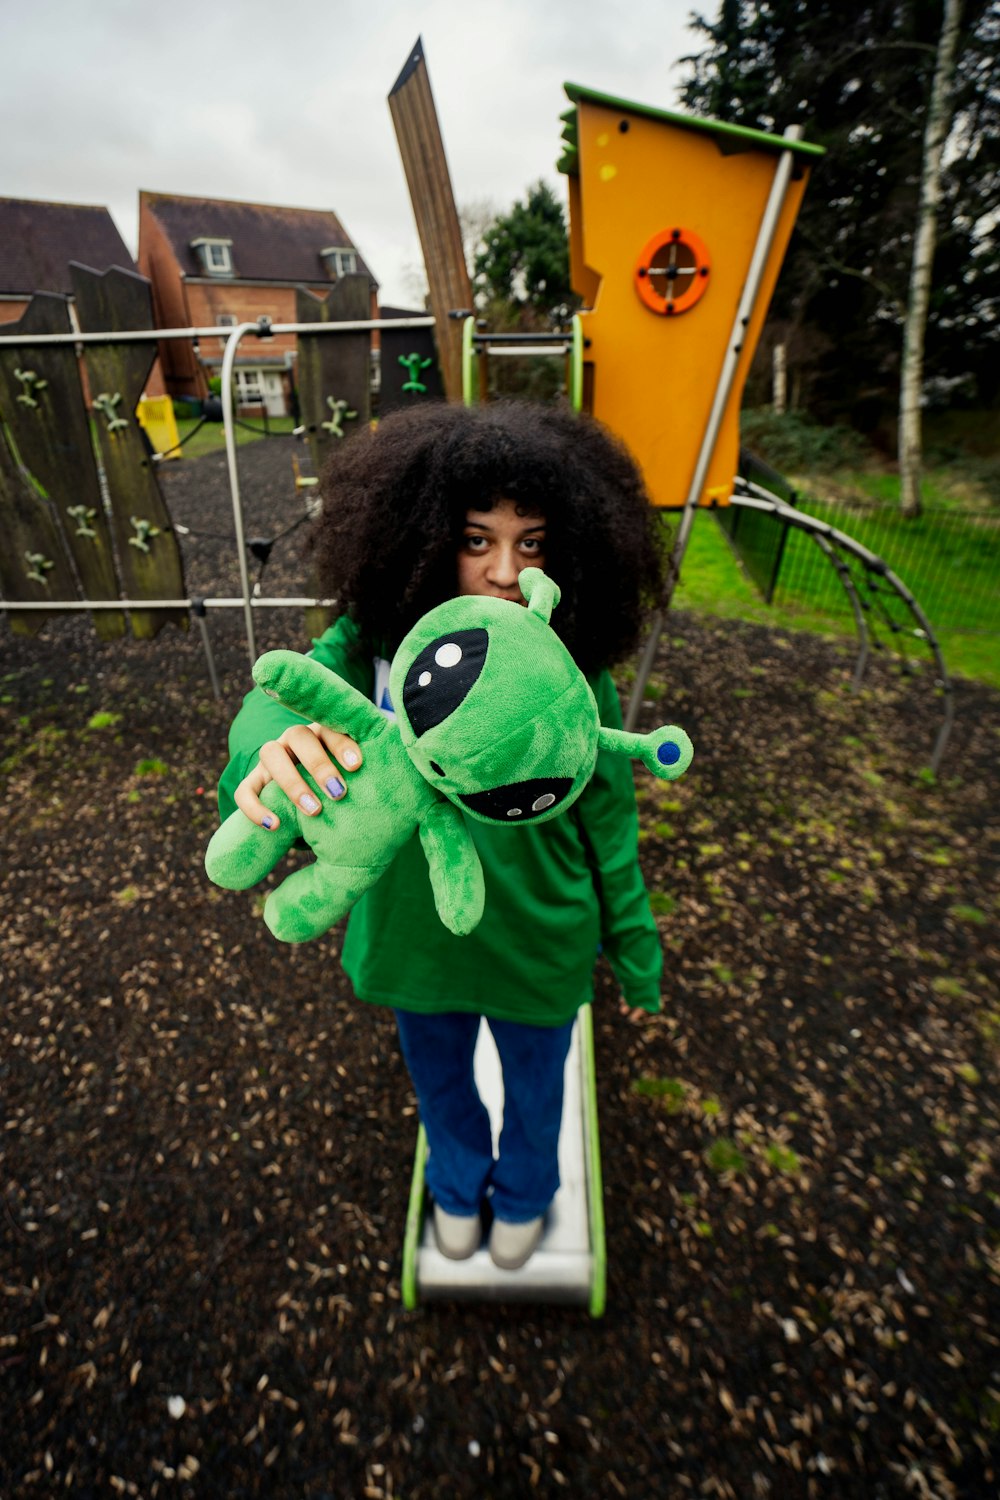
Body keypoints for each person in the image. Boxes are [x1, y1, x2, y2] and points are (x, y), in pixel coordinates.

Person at [218, 401, 667, 1271]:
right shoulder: (381, 645)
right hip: (415, 943)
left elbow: (611, 822)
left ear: (569, 549)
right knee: (442, 1084)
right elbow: (277, 700)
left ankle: (527, 1197)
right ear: (422, 537)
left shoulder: (571, 677)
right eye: (476, 538)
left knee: (539, 1093)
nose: (504, 570)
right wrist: (269, 752)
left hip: (540, 941)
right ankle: (459, 1190)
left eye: (532, 543)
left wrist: (634, 947)